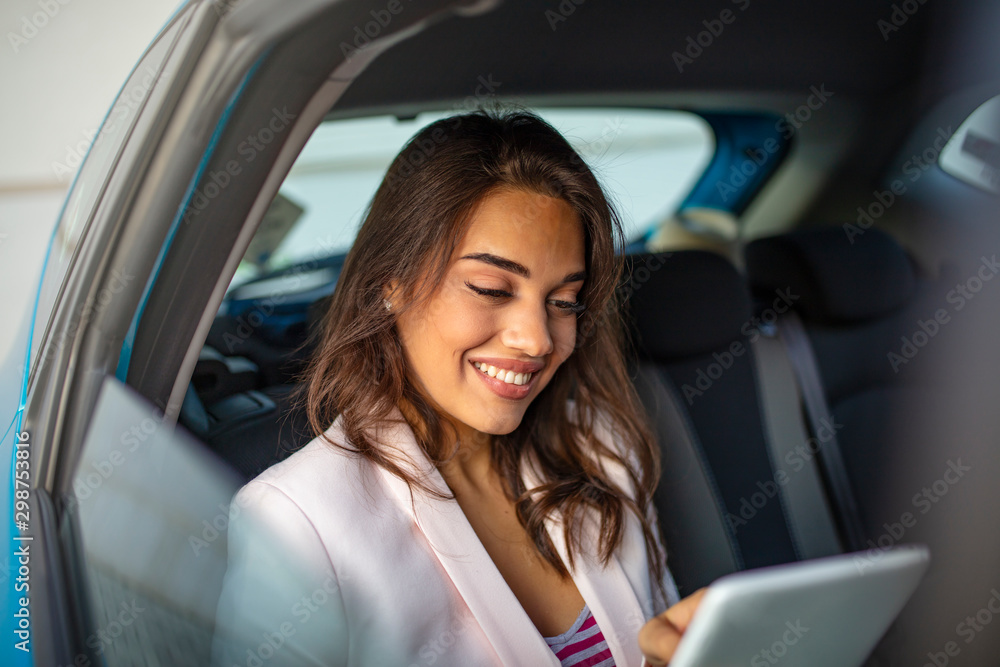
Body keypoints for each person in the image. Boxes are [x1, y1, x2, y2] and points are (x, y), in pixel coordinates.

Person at [211, 106, 704, 667]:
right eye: (492, 288)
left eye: (564, 301)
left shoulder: (602, 446)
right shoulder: (298, 523)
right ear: (390, 284)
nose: (537, 339)